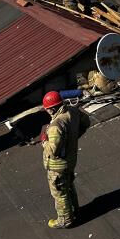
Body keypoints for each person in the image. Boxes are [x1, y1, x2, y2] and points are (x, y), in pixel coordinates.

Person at [41, 90, 89, 229]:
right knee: (68, 186)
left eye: (47, 110)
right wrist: (73, 138)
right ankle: (75, 210)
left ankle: (65, 220)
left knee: (60, 192)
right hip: (70, 160)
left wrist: (44, 141)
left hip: (57, 166)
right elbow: (86, 122)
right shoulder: (73, 112)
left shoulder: (56, 125)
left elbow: (52, 151)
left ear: (52, 109)